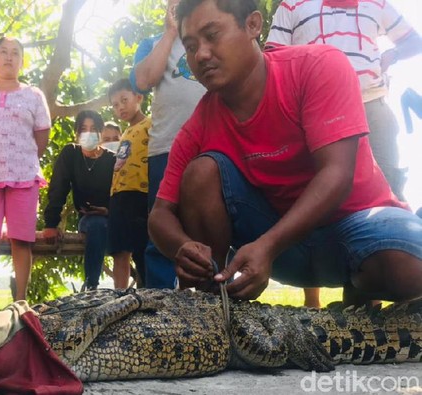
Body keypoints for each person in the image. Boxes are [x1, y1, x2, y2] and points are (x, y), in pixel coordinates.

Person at [148, 0, 422, 306]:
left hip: (353, 225)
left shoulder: (318, 65)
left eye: (212, 35)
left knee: (411, 270)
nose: (201, 54)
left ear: (253, 25)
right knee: (201, 171)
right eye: (190, 46)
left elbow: (337, 174)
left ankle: (361, 292)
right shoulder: (198, 124)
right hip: (278, 249)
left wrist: (268, 245)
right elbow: (159, 214)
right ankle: (217, 302)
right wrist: (183, 247)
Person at [265, 0, 422, 309]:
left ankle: (364, 303)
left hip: (370, 102)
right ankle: (313, 304)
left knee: (383, 198)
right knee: (314, 197)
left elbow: (412, 39)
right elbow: (272, 57)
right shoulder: (292, 4)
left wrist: (388, 56)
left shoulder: (375, 3)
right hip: (312, 111)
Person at [130, 0, 206, 289]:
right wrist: (171, 34)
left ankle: (213, 297)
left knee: (213, 226)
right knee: (163, 229)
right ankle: (161, 306)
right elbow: (142, 80)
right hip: (166, 149)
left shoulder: (210, 39)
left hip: (215, 150)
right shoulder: (152, 43)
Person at [0, 37, 50, 309]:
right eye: (3, 52)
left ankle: (21, 299)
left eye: (15, 53)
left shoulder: (34, 95)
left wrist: (21, 159)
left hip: (24, 176)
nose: (9, 57)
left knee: (22, 240)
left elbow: (42, 137)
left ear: (22, 61)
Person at [43, 110, 115, 291]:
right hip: (89, 219)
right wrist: (51, 223)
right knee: (97, 224)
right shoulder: (71, 153)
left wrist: (109, 210)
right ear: (77, 133)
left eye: (93, 129)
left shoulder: (111, 159)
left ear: (100, 132)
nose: (88, 133)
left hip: (115, 217)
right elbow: (58, 187)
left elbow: (123, 193)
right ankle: (91, 286)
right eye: (83, 129)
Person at [107, 78, 150, 289]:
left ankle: (150, 292)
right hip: (118, 197)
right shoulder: (123, 133)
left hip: (140, 195)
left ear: (139, 97)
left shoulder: (150, 124)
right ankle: (119, 296)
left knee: (142, 249)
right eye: (115, 104)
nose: (120, 107)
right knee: (119, 250)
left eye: (124, 100)